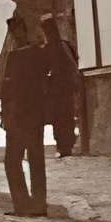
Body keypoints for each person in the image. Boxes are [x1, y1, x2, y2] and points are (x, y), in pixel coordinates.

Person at [0, 13, 51, 217]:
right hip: (35, 114)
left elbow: (9, 90)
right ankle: (38, 204)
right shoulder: (40, 53)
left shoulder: (15, 57)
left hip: (18, 116)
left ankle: (23, 204)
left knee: (12, 161)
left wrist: (6, 117)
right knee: (36, 159)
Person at [40, 19, 80, 160]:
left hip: (61, 88)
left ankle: (65, 145)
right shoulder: (60, 46)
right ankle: (64, 145)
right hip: (59, 88)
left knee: (63, 117)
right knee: (61, 117)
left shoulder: (58, 47)